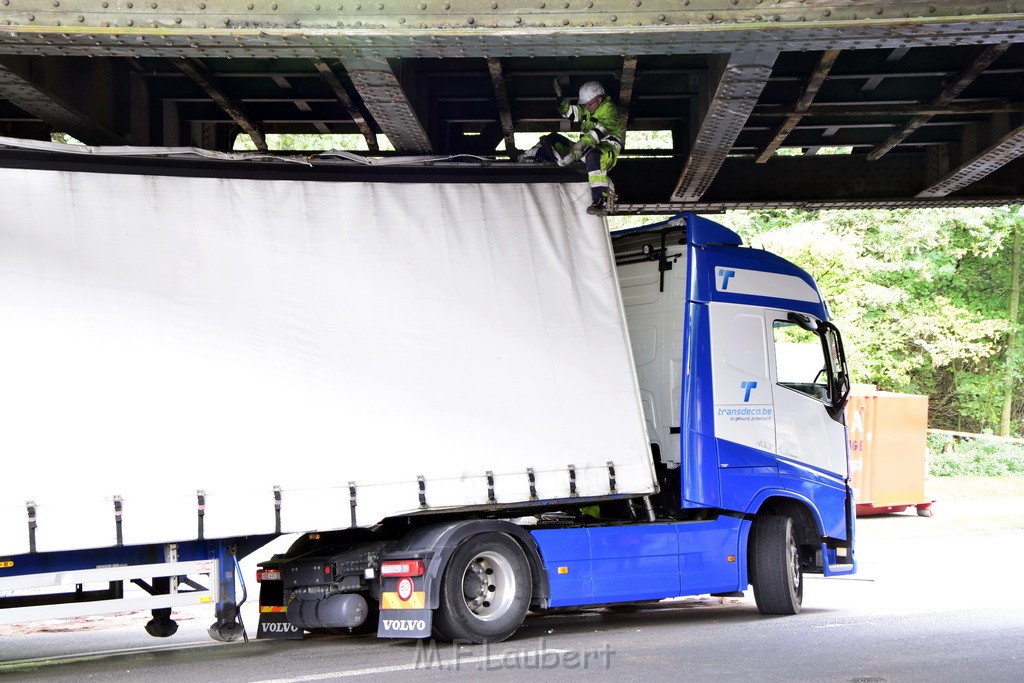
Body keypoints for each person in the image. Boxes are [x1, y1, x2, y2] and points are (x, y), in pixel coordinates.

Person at [524, 80, 623, 215]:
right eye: (585, 104)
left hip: (606, 150)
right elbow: (568, 113)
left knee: (593, 156)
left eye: (589, 104)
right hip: (585, 148)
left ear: (599, 100)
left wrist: (580, 145)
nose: (586, 107)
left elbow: (598, 133)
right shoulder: (588, 108)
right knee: (553, 138)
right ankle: (526, 157)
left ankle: (600, 201)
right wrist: (560, 96)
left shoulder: (610, 110)